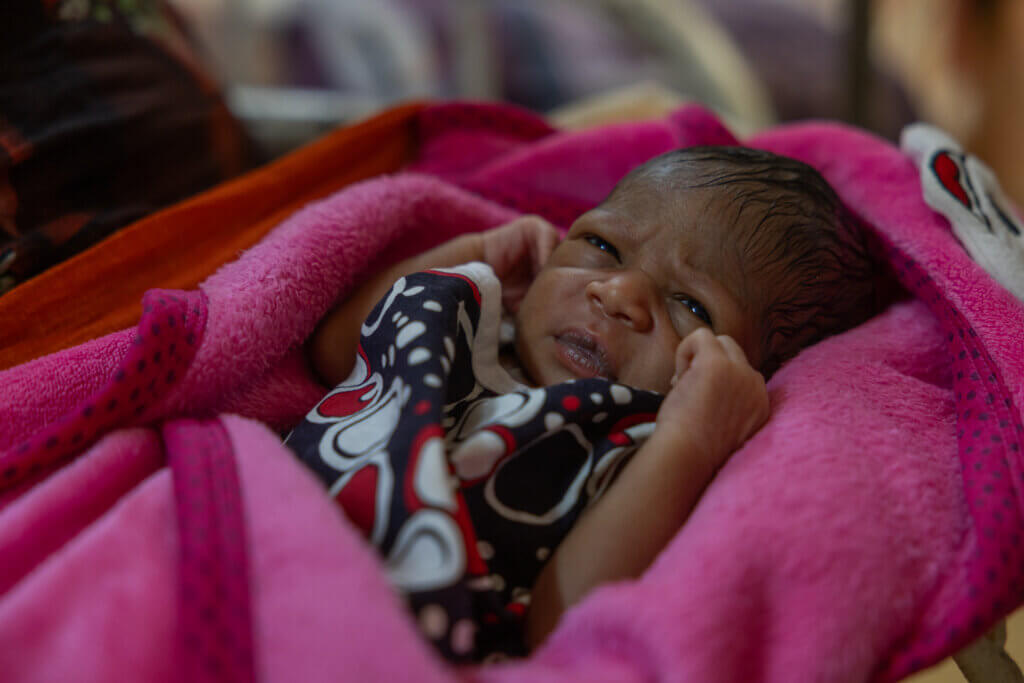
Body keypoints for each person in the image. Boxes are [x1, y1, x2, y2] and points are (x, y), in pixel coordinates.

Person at [293, 146, 880, 659]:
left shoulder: (638, 446)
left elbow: (561, 622)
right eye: (602, 244)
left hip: (383, 633)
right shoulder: (478, 321)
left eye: (693, 307)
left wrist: (692, 439)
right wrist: (471, 251)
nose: (618, 293)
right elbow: (334, 353)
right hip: (276, 529)